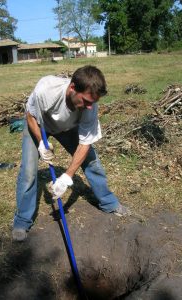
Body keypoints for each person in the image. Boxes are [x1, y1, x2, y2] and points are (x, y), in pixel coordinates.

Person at [12, 65, 130, 242]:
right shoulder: (46, 89)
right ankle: (22, 221)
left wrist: (67, 177)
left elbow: (85, 143)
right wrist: (42, 144)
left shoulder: (90, 107)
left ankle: (109, 202)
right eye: (86, 101)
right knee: (28, 172)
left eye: (93, 102)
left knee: (92, 162)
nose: (90, 107)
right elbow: (30, 116)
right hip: (38, 125)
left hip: (67, 128)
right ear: (73, 87)